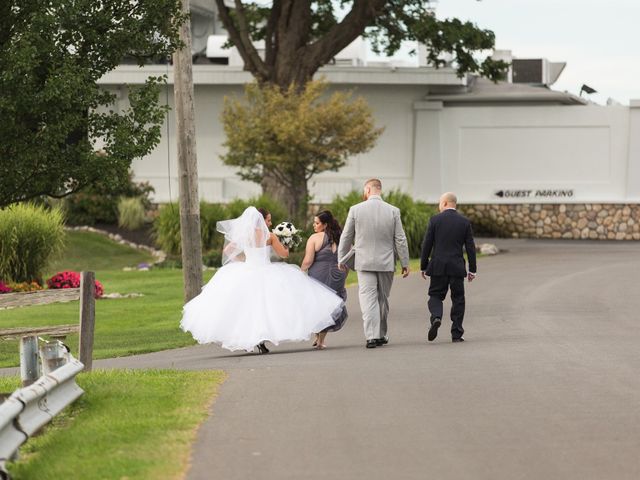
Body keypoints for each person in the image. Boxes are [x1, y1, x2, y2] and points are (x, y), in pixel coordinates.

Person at [180, 206, 344, 353]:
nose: (270, 223)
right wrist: (287, 244)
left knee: (246, 308)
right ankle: (260, 340)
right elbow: (284, 254)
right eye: (268, 220)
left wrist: (243, 261)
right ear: (261, 220)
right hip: (265, 271)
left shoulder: (244, 235)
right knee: (266, 308)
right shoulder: (270, 236)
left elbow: (228, 250)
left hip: (248, 270)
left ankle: (250, 340)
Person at [337, 179, 410, 349]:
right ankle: (381, 335)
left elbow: (346, 236)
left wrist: (341, 258)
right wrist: (405, 262)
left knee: (368, 299)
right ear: (380, 190)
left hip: (364, 261)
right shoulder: (393, 211)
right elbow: (400, 238)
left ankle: (372, 336)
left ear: (368, 190)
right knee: (382, 298)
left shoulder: (355, 210)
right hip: (386, 262)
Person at [420, 192, 477, 343]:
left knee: (435, 295)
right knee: (458, 299)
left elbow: (427, 244)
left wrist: (423, 266)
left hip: (438, 266)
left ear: (444, 203)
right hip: (457, 267)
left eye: (440, 203)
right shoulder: (464, 222)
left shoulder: (435, 220)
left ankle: (436, 317)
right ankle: (457, 333)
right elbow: (470, 247)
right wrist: (472, 269)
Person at [301, 210, 348, 349]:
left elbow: (308, 261)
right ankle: (320, 339)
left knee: (317, 306)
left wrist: (300, 271)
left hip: (318, 274)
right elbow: (348, 258)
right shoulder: (341, 237)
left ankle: (319, 340)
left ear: (325, 224)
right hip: (338, 274)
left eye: (316, 223)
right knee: (329, 306)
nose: (314, 226)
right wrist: (344, 273)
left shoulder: (314, 238)